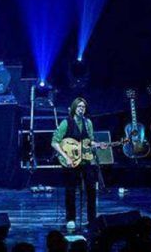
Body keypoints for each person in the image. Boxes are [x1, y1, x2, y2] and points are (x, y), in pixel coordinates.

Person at [51, 97, 97, 230]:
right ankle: (70, 219)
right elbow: (54, 142)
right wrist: (66, 157)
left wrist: (97, 145)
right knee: (71, 190)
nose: (81, 109)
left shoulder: (88, 123)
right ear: (74, 108)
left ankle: (92, 219)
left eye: (83, 107)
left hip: (85, 160)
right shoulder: (66, 122)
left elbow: (90, 140)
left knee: (91, 189)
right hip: (70, 161)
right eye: (79, 107)